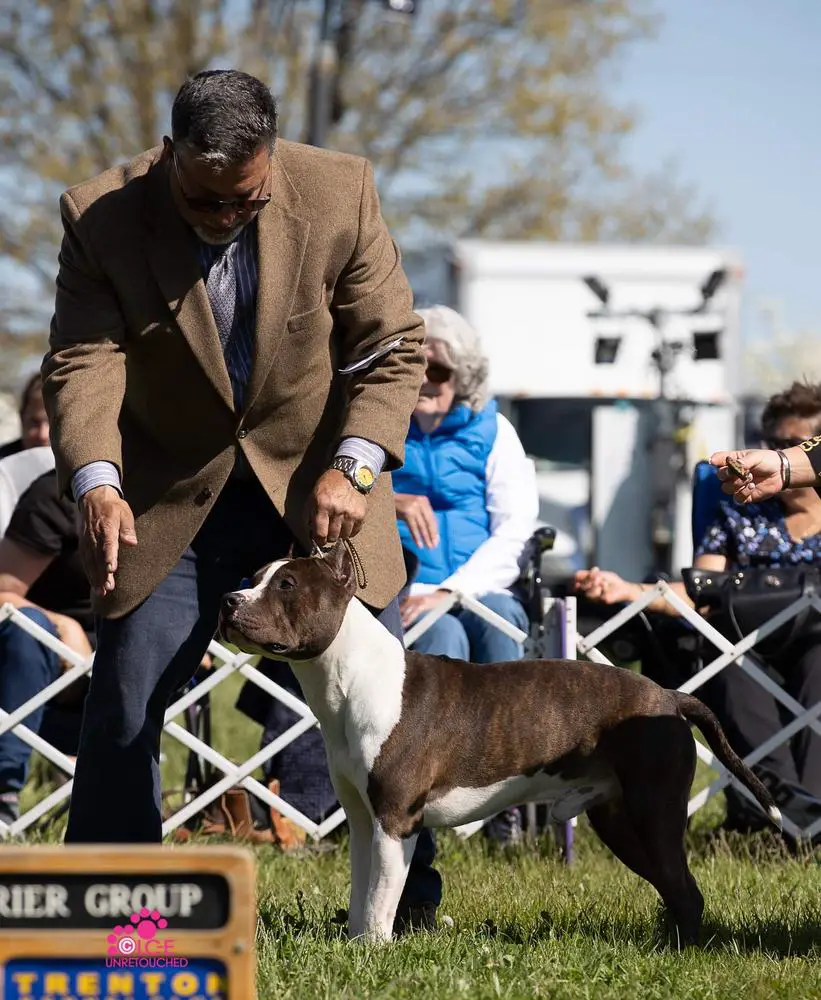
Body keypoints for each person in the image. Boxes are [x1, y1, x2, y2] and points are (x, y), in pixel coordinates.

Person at [41, 69, 440, 927]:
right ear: (170, 153)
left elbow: (392, 346)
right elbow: (83, 360)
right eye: (203, 201)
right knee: (122, 711)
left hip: (317, 494)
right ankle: (115, 919)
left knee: (392, 724)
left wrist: (357, 463)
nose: (225, 217)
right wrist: (97, 480)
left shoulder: (341, 191)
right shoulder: (99, 215)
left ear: (270, 158)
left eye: (244, 200)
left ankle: (405, 918)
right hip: (169, 502)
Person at [577, 381, 821, 836]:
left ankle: (806, 816)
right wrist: (630, 590)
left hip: (814, 636)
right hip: (747, 638)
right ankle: (791, 818)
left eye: (797, 445)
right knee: (731, 666)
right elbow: (701, 591)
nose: (782, 454)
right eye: (775, 444)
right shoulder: (739, 509)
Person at [392, 305, 539, 843]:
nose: (428, 382)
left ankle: (506, 794)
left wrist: (453, 589)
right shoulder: (381, 428)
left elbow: (516, 526)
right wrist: (394, 499)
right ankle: (436, 794)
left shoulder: (493, 430)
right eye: (417, 367)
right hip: (408, 590)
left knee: (499, 625)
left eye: (440, 371)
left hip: (480, 586)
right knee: (443, 636)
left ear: (463, 377)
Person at [0, 469, 94, 827]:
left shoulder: (174, 484)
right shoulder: (55, 495)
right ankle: (4, 795)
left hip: (127, 649)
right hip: (52, 662)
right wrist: (61, 625)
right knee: (29, 631)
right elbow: (2, 593)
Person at [0, 374, 50, 461]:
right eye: (34, 422)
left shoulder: (78, 470)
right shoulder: (4, 464)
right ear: (22, 418)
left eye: (54, 423)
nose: (43, 435)